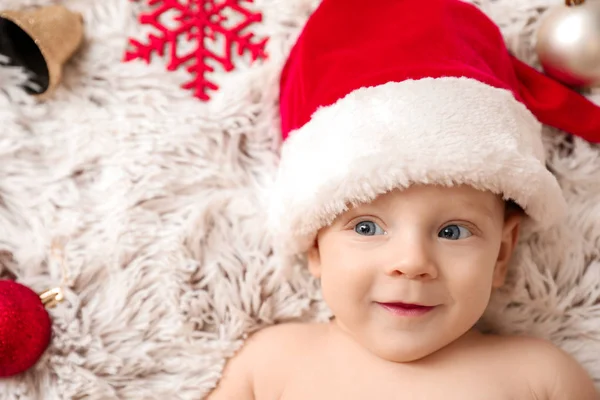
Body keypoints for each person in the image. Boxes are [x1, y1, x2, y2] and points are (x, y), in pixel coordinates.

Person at [207, 0, 600, 398]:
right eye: (366, 226)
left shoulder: (540, 378)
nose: (412, 263)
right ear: (314, 246)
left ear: (501, 253)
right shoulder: (269, 366)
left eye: (452, 231)